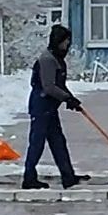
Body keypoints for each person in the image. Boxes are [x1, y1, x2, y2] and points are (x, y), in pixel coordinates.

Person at [23, 23, 92, 189]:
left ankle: (68, 176)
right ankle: (29, 178)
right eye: (65, 42)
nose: (67, 45)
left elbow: (59, 84)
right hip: (41, 106)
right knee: (37, 142)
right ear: (57, 41)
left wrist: (71, 99)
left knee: (58, 142)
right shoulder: (47, 59)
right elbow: (49, 86)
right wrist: (66, 98)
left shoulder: (57, 58)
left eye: (68, 42)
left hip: (50, 106)